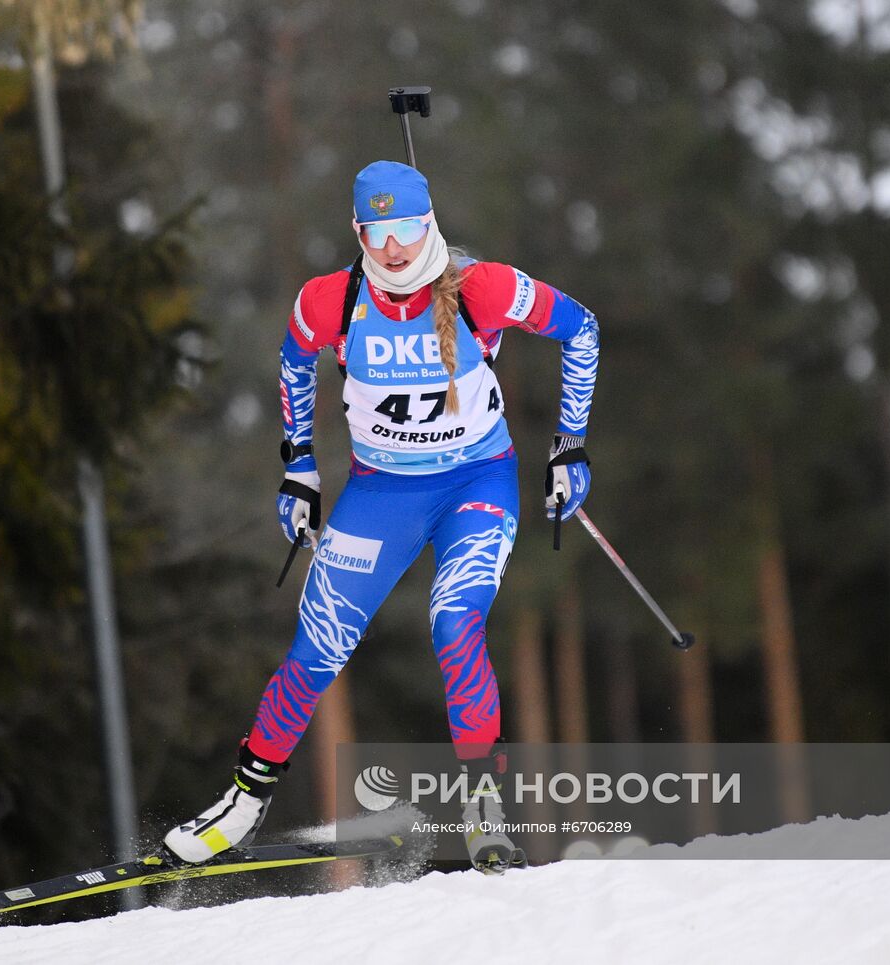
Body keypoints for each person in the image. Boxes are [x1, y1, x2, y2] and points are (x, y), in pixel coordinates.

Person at [163, 160, 599, 872]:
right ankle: (243, 803)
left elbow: (581, 329)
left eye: (407, 229)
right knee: (317, 648)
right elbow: (292, 363)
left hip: (475, 485)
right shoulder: (330, 302)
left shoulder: (481, 287)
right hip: (381, 493)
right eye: (377, 231)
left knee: (454, 623)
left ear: (428, 223)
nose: (394, 248)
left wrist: (570, 446)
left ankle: (483, 806)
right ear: (358, 231)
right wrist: (299, 465)